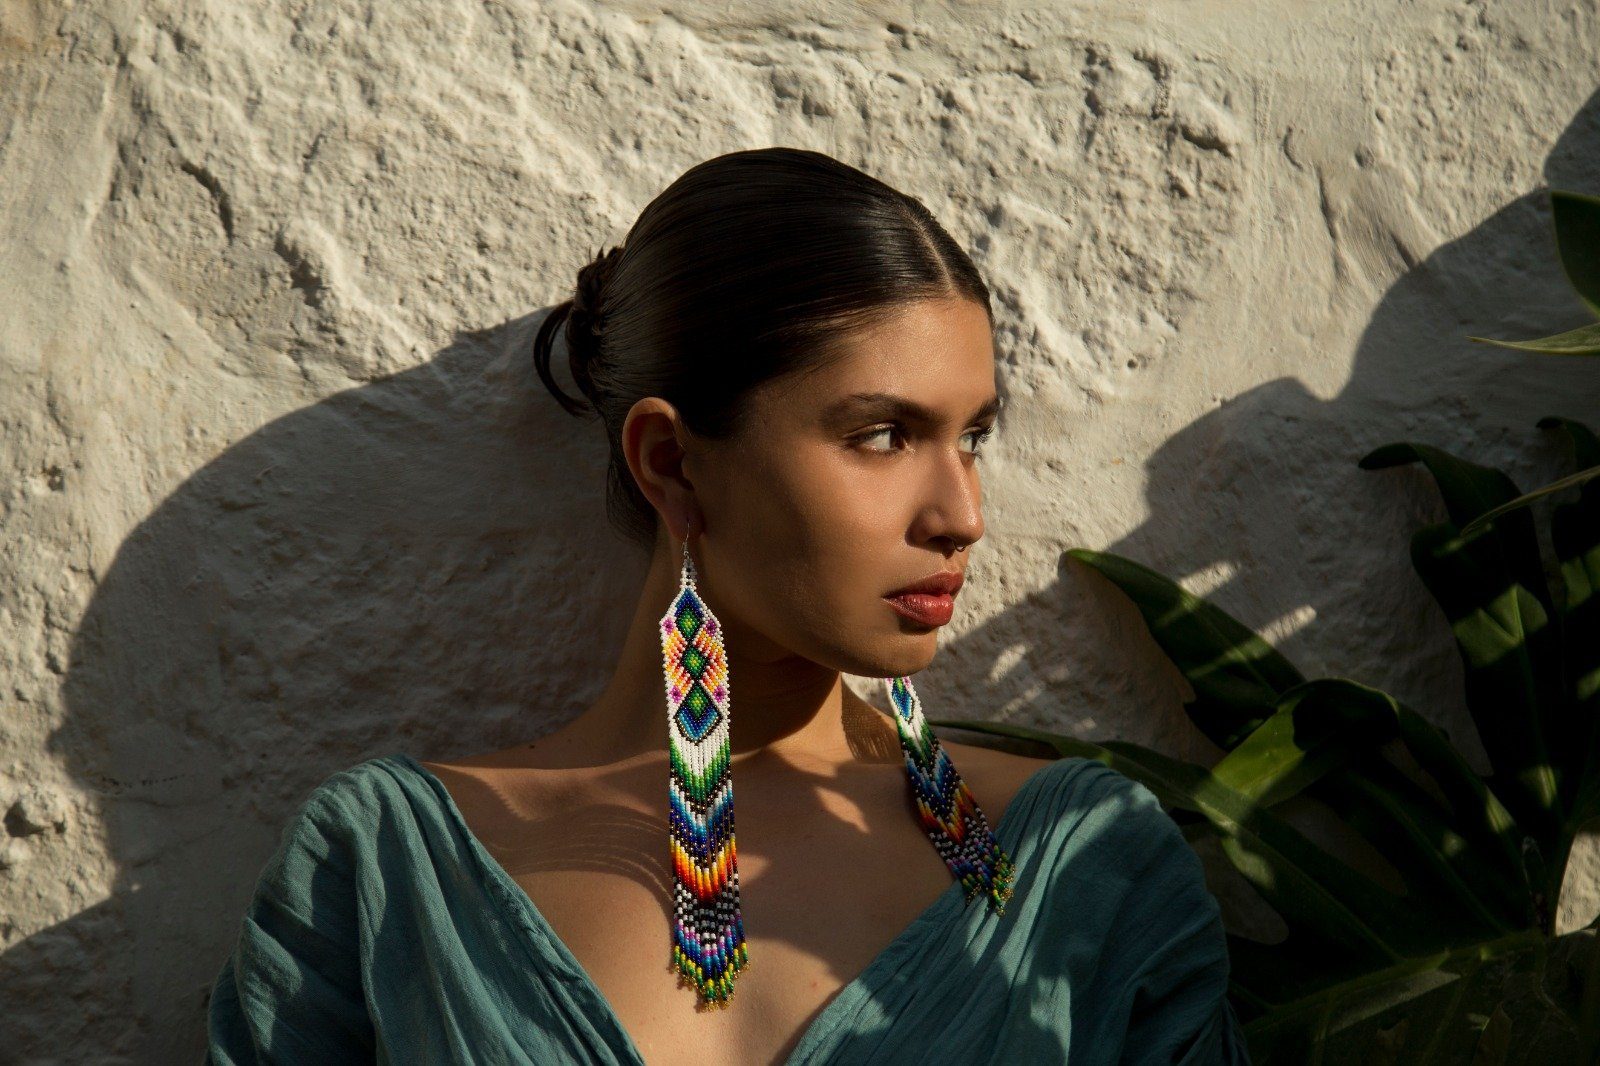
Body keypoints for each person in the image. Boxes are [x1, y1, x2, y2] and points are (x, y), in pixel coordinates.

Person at [205, 146, 1250, 1064]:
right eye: (882, 435)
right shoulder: (394, 869)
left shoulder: (1079, 863)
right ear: (672, 464)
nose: (961, 513)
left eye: (971, 435)